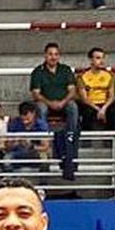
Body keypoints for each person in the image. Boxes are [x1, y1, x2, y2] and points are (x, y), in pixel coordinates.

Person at [28, 41, 79, 181]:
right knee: (41, 108)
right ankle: (44, 138)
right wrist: (51, 103)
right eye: (50, 54)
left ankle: (71, 136)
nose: (53, 57)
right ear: (45, 55)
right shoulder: (38, 72)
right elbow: (36, 94)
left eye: (56, 54)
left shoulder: (66, 70)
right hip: (46, 102)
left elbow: (72, 91)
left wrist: (62, 102)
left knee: (73, 106)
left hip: (63, 102)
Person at [76, 46, 115, 131]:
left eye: (102, 58)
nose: (101, 61)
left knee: (113, 111)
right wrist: (98, 109)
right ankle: (86, 142)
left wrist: (104, 108)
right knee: (87, 112)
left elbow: (112, 96)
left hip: (105, 104)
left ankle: (111, 142)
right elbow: (84, 99)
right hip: (90, 104)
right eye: (98, 58)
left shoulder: (109, 75)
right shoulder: (82, 76)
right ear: (91, 60)